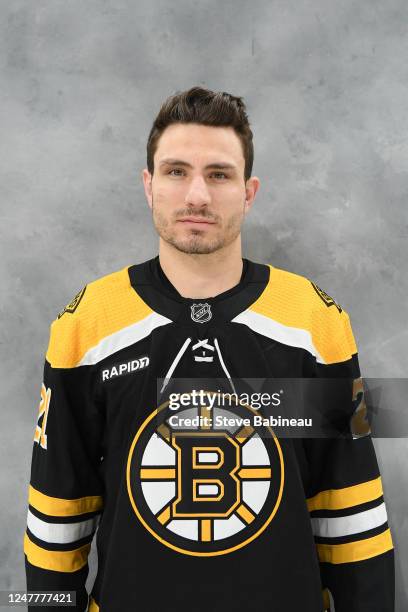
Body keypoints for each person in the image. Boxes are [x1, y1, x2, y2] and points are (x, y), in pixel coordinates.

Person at [24, 86, 395, 611]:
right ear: (148, 185)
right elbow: (57, 522)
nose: (197, 194)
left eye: (219, 174)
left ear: (249, 190)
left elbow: (351, 516)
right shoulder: (86, 324)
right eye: (176, 171)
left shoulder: (314, 321)